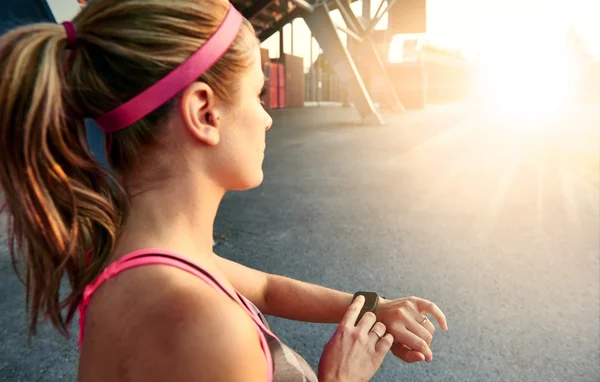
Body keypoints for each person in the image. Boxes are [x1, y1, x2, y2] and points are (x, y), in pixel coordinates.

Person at [0, 0, 448, 381]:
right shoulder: (200, 323)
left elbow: (269, 288)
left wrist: (375, 307)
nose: (267, 117)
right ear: (205, 113)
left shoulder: (152, 260)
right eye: (256, 95)